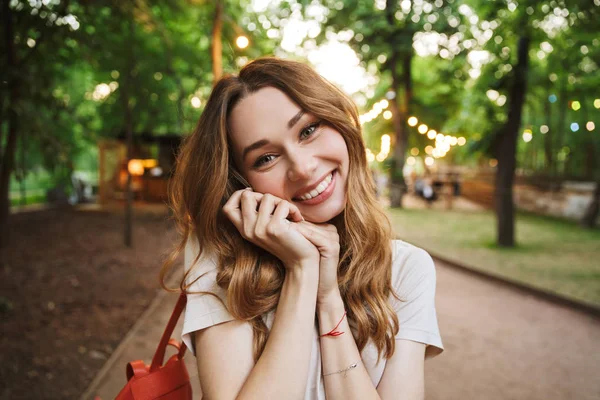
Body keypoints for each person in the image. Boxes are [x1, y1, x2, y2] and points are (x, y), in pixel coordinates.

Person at [161, 57, 444, 399]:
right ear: (241, 183)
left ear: (338, 123)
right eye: (266, 158)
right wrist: (302, 269)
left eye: (308, 130)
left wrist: (328, 301)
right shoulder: (222, 261)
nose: (303, 168)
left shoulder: (405, 270)